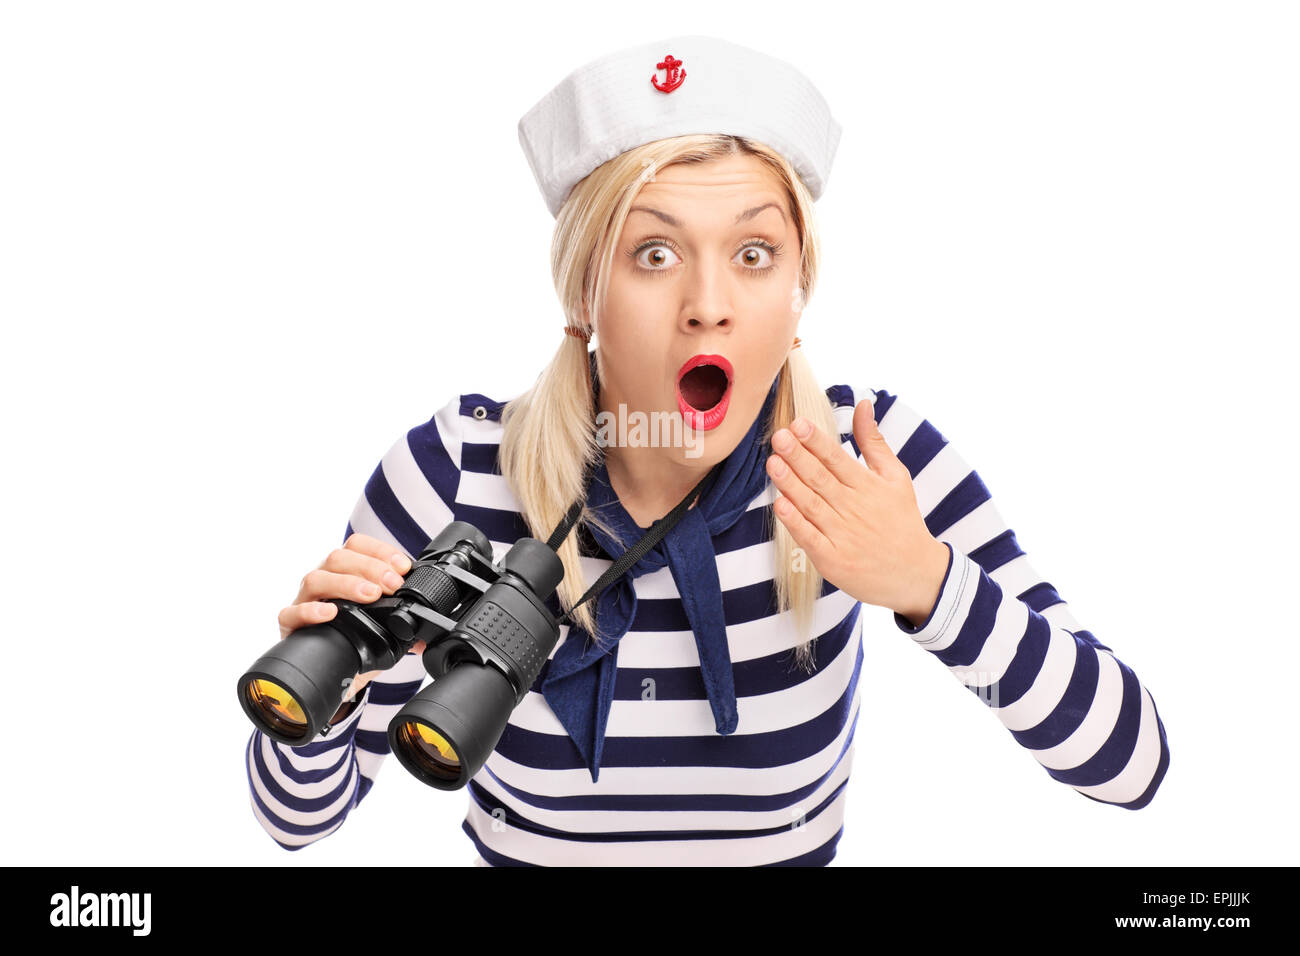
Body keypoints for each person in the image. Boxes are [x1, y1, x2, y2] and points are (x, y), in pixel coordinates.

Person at [244, 35, 1170, 866]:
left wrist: (928, 580)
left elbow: (1132, 765)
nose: (708, 303)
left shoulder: (872, 461)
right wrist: (337, 688)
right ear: (582, 296)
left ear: (800, 289)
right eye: (653, 254)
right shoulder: (454, 472)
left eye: (755, 254)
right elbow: (294, 823)